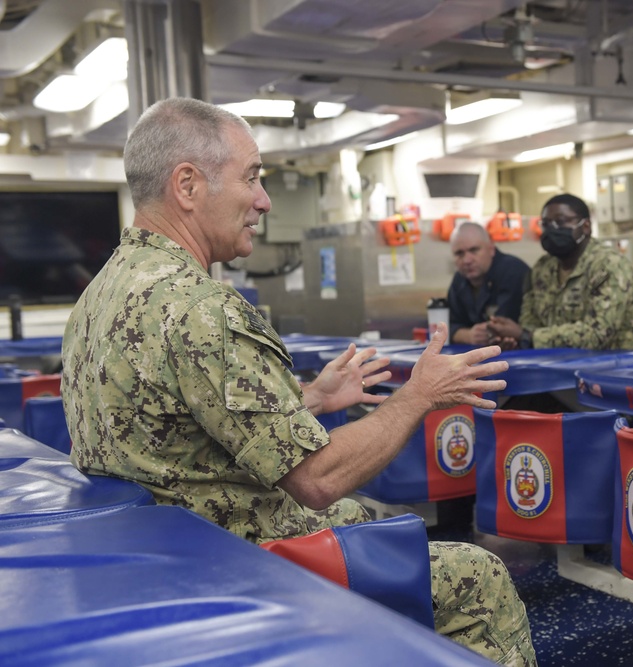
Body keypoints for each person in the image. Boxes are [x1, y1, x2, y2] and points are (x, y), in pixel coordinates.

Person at [61, 97, 536, 666]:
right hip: (239, 560)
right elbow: (317, 480)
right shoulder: (200, 308)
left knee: (379, 522)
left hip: (160, 549)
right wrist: (420, 394)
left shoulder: (100, 294)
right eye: (252, 178)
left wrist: (308, 399)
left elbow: (171, 427)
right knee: (479, 577)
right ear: (186, 186)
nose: (263, 201)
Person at [487, 193, 633, 351]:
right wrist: (516, 338)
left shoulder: (609, 266)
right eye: (546, 224)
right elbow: (530, 322)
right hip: (560, 367)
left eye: (561, 221)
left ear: (585, 226)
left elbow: (598, 333)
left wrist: (529, 336)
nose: (552, 229)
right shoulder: (542, 269)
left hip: (620, 368)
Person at [447, 222, 529, 346]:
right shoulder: (460, 280)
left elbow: (501, 329)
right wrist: (468, 335)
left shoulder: (512, 271)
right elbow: (445, 325)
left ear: (491, 249)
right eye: (459, 254)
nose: (467, 260)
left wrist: (465, 334)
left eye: (474, 250)